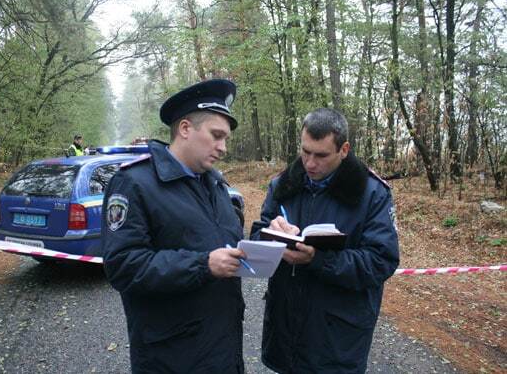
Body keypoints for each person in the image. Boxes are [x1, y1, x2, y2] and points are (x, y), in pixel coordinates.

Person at [102, 79, 246, 373]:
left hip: (223, 351)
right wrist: (202, 265)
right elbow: (124, 266)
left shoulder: (216, 184)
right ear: (184, 129)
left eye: (226, 139)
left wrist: (269, 238)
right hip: (171, 357)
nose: (223, 147)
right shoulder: (134, 183)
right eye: (216, 135)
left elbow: (227, 244)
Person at [250, 108, 400, 373]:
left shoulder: (372, 193)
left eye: (320, 155)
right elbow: (256, 235)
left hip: (337, 338)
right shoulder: (283, 184)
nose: (309, 164)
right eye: (305, 151)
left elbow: (381, 261)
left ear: (344, 149)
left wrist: (318, 259)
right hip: (285, 331)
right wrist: (271, 233)